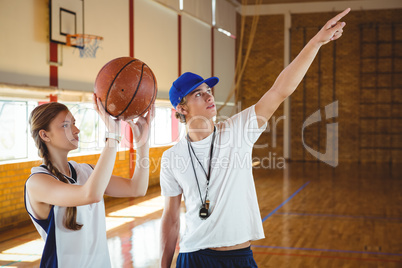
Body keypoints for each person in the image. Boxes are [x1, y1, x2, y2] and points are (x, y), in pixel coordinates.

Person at [159, 8, 350, 268]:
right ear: (181, 109)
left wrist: (316, 42)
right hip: (194, 256)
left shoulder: (237, 131)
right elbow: (170, 219)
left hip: (239, 256)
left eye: (208, 90)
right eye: (198, 94)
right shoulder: (172, 157)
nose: (209, 96)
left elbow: (280, 90)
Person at [24, 96, 153, 268]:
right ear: (44, 135)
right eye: (65, 125)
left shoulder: (85, 171)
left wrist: (142, 144)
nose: (76, 130)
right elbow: (90, 194)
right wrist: (112, 136)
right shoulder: (38, 182)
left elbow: (137, 188)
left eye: (74, 123)